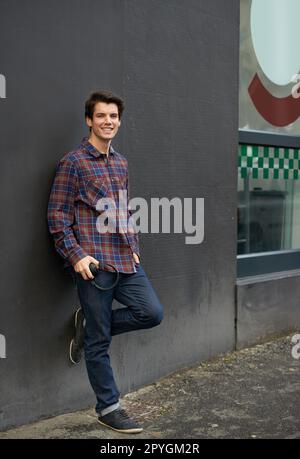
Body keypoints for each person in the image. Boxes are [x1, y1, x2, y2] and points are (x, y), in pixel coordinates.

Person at [47, 91, 163, 434]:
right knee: (99, 344)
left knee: (151, 312)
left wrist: (134, 245)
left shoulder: (121, 162)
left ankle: (89, 326)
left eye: (113, 116)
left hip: (125, 259)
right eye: (101, 116)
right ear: (89, 120)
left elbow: (123, 210)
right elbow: (57, 215)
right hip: (94, 266)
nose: (108, 121)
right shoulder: (73, 163)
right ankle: (109, 407)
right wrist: (76, 255)